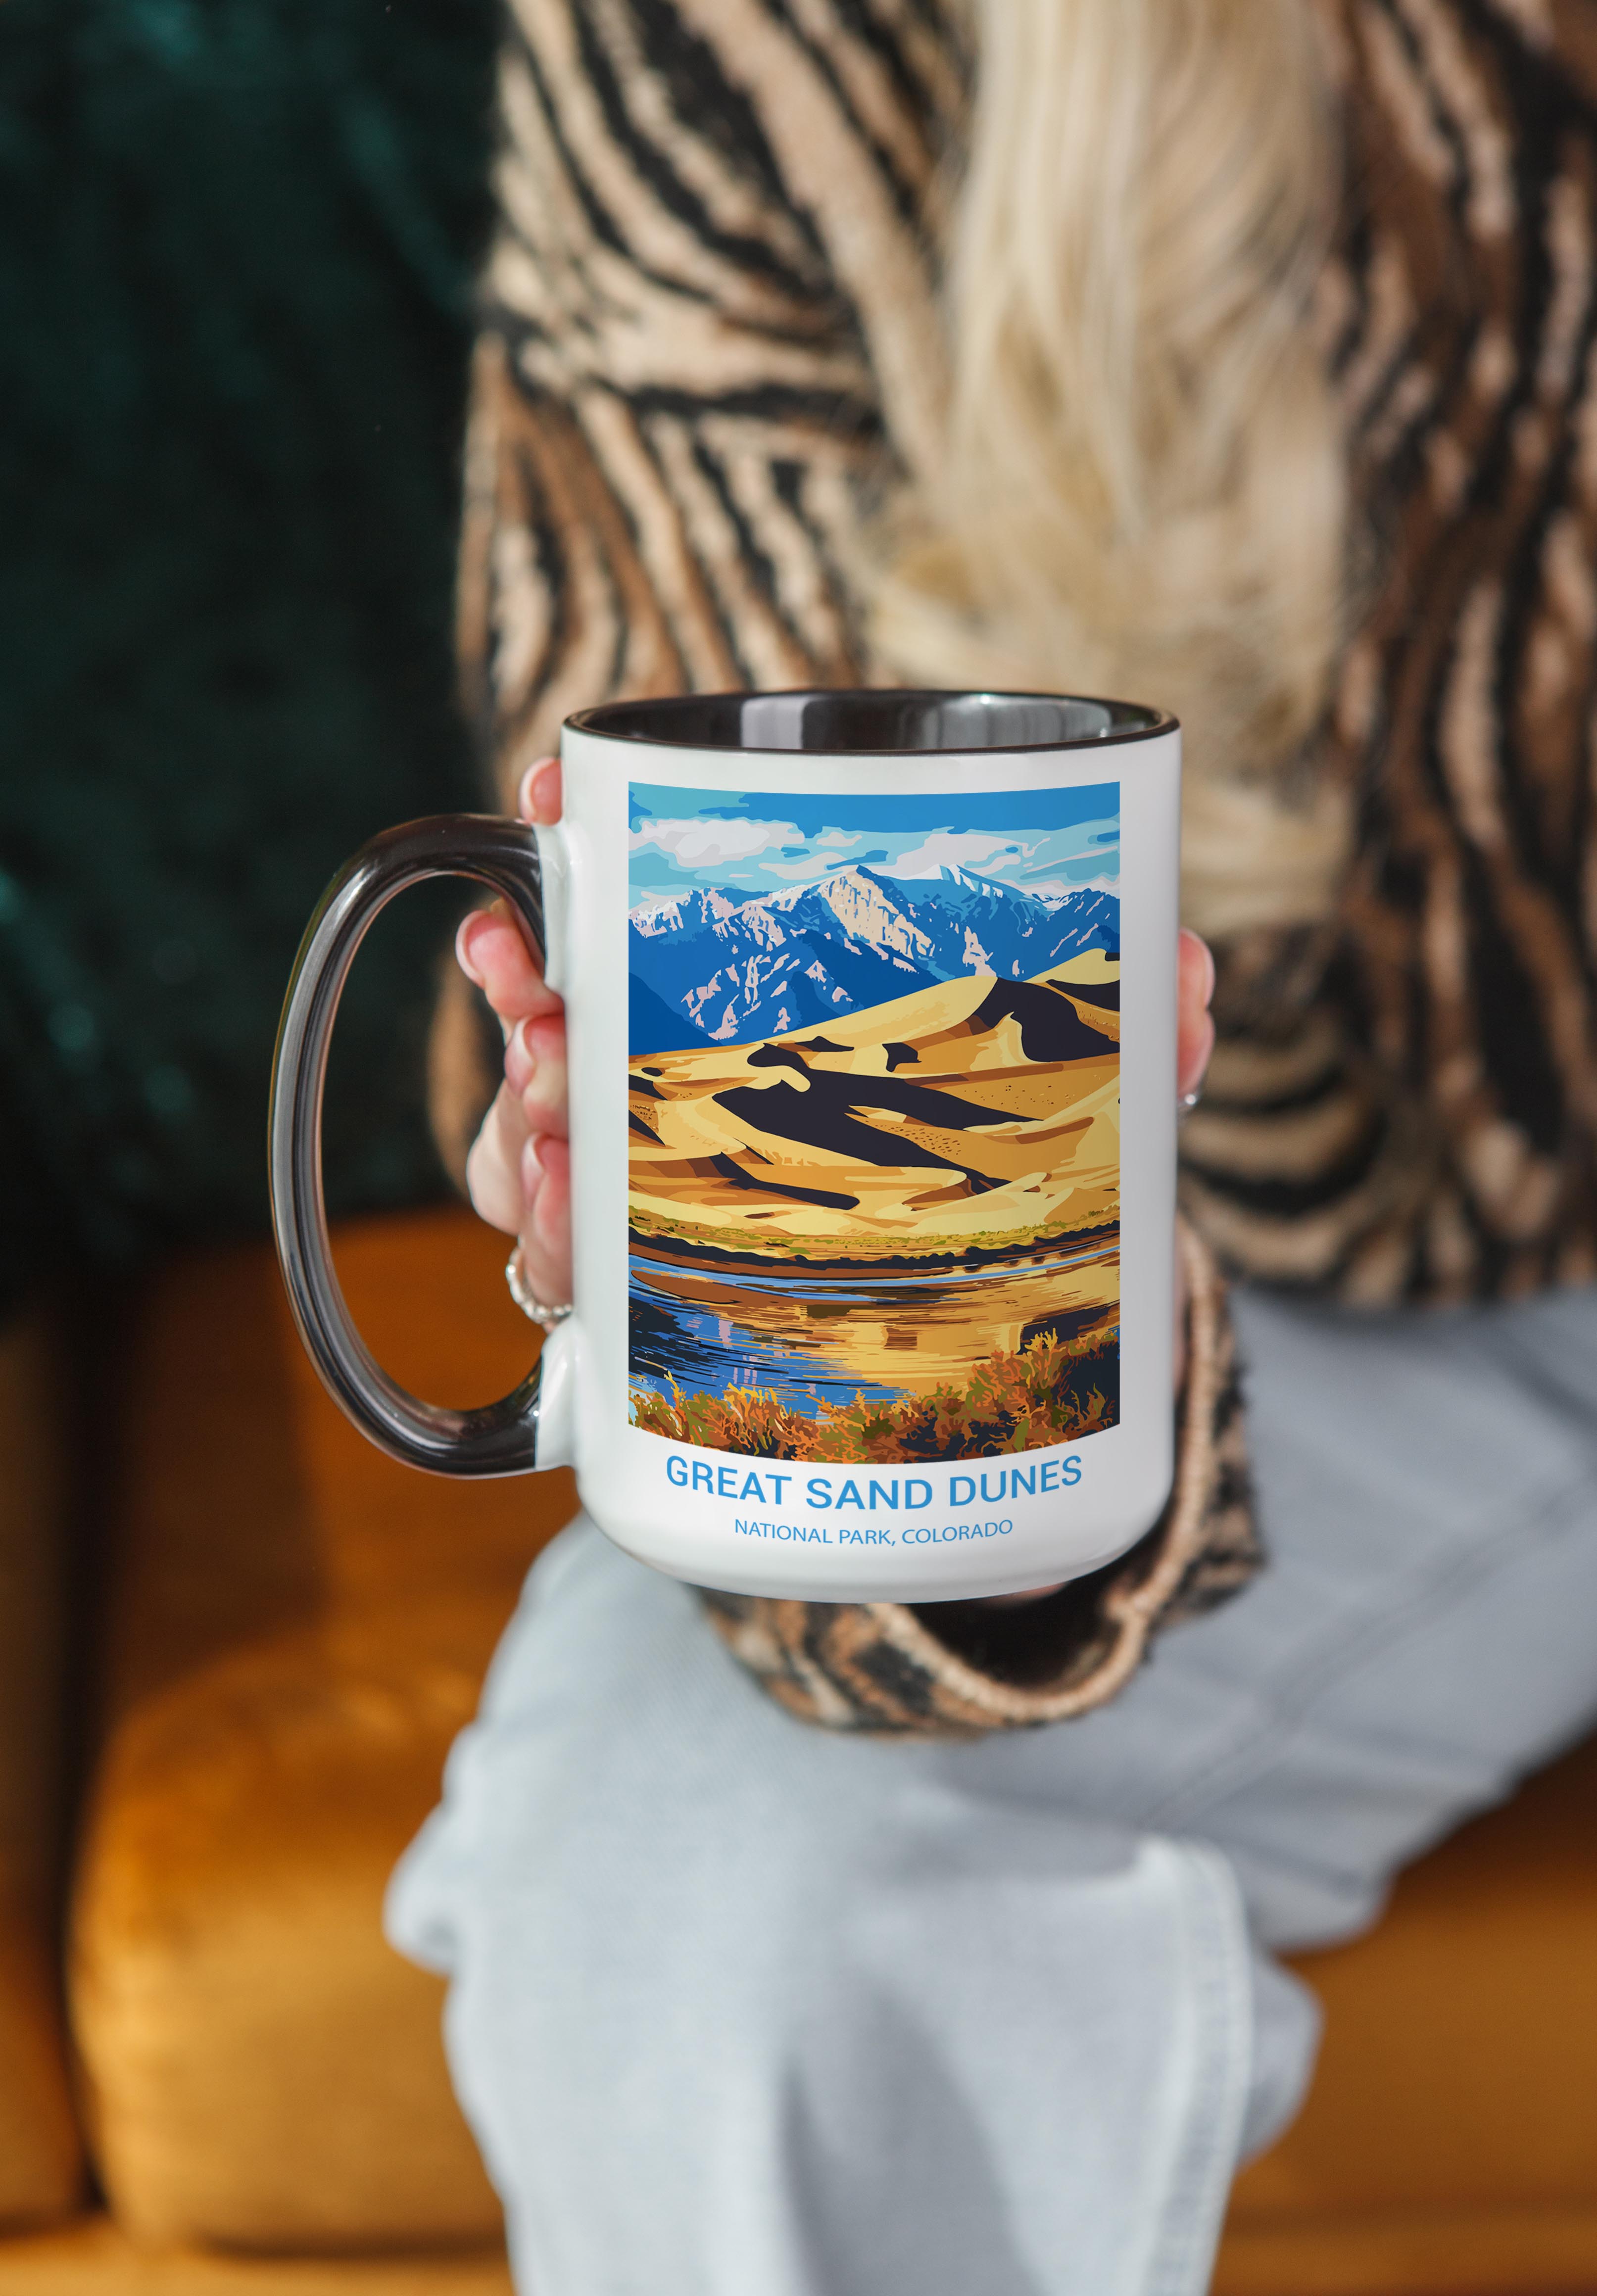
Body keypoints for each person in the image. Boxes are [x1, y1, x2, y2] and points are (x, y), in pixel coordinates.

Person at [387, 5, 1597, 2290]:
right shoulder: (734, 48)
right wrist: (910, 1329)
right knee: (700, 1876)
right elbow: (668, 823)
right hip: (1322, 1289)